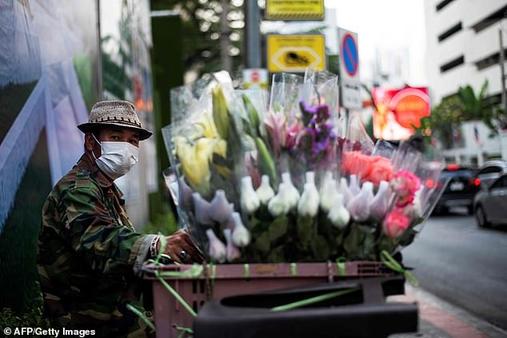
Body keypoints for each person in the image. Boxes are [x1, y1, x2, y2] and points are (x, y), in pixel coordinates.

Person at [37, 100, 203, 337]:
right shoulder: (76, 189)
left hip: (115, 310)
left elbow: (124, 256)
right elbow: (99, 242)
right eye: (116, 137)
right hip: (84, 320)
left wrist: (170, 255)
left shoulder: (106, 189)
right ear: (90, 141)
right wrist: (156, 244)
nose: (126, 147)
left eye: (133, 141)